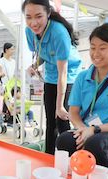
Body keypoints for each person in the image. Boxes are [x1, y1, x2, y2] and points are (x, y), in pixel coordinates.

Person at [56, 23, 108, 172]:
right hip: (86, 129)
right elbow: (73, 112)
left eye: (102, 48)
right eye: (92, 47)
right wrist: (83, 128)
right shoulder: (83, 77)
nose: (95, 53)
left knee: (95, 144)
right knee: (64, 140)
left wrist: (95, 130)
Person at [22, 0, 82, 154]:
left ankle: (69, 159)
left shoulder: (59, 32)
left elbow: (63, 71)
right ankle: (49, 157)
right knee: (50, 122)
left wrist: (60, 105)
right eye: (28, 17)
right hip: (50, 76)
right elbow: (44, 53)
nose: (33, 22)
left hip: (68, 77)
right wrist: (35, 65)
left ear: (48, 13)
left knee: (61, 119)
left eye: (38, 16)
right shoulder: (30, 31)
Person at [0, 43, 16, 125]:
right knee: (1, 103)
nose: (13, 51)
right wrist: (1, 74)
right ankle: (0, 122)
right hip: (2, 85)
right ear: (6, 50)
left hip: (11, 85)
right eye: (11, 49)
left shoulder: (14, 61)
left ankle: (10, 120)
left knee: (11, 102)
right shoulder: (0, 61)